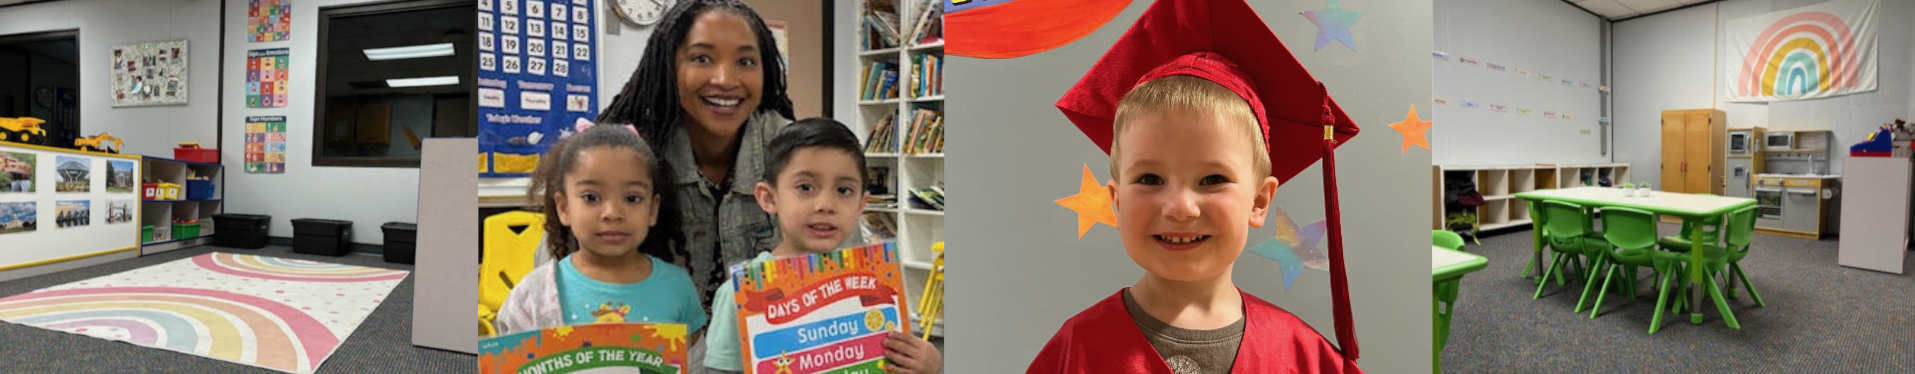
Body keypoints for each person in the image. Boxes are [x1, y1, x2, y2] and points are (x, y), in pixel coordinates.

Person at [1027, 0, 1365, 372]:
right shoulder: (1076, 350)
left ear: (1259, 200)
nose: (1180, 206)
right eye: (1150, 179)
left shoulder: (1306, 357)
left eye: (1212, 179)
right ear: (1117, 202)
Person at [596, 0, 797, 309]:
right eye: (702, 58)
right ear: (668, 66)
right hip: (653, 350)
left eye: (745, 62)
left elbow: (848, 266)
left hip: (772, 352)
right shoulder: (626, 153)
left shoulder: (796, 152)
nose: (726, 80)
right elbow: (560, 271)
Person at [703, 119, 943, 374]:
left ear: (861, 205)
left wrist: (929, 366)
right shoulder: (739, 295)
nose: (825, 204)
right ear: (769, 197)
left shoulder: (878, 283)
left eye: (843, 190)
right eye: (805, 187)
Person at [492, 124, 708, 347]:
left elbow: (695, 365)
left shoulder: (676, 287)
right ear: (564, 208)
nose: (612, 213)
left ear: (652, 210)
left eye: (632, 198)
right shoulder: (532, 296)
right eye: (591, 197)